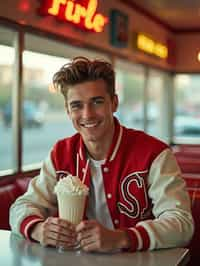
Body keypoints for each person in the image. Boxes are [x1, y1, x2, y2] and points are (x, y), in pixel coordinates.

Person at [10, 56, 194, 253]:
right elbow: (22, 206)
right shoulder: (61, 154)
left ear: (113, 103)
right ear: (67, 110)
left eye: (96, 102)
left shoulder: (154, 153)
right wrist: (38, 229)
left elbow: (181, 224)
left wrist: (122, 238)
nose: (87, 114)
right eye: (77, 105)